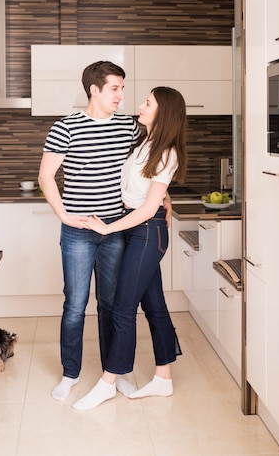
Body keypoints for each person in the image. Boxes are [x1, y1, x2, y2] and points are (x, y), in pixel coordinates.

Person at [38, 61, 172, 402]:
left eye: (123, 88)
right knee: (75, 304)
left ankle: (113, 374)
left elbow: (152, 163)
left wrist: (165, 199)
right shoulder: (65, 127)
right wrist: (64, 216)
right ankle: (70, 373)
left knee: (111, 305)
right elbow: (45, 176)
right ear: (94, 90)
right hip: (79, 232)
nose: (121, 95)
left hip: (116, 229)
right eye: (115, 88)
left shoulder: (129, 127)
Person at [73, 86, 187, 411]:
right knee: (154, 307)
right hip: (137, 228)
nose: (140, 105)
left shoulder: (167, 153)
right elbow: (149, 192)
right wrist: (165, 196)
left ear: (162, 112)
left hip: (146, 233)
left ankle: (107, 382)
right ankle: (163, 379)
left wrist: (107, 227)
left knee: (123, 308)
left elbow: (148, 209)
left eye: (147, 102)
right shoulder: (145, 143)